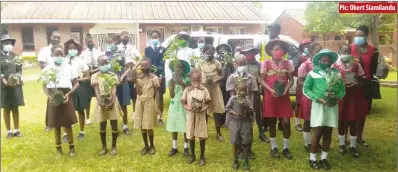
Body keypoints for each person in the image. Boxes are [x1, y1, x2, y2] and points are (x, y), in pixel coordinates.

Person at [303, 49, 345, 170]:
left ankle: (324, 158)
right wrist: (317, 98)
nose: (326, 62)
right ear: (319, 61)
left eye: (328, 60)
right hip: (318, 106)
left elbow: (342, 89)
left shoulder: (336, 73)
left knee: (328, 132)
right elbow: (306, 89)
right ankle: (312, 158)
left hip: (332, 106)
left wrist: (337, 98)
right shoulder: (313, 73)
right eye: (323, 60)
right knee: (317, 133)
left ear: (331, 61)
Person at [41, 44, 79, 157]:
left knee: (68, 123)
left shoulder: (69, 67)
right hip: (54, 96)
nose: (59, 56)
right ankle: (58, 149)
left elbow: (76, 83)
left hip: (66, 95)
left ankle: (71, 148)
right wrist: (49, 95)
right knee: (56, 124)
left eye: (61, 54)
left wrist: (69, 93)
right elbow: (44, 85)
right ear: (52, 55)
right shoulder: (47, 69)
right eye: (57, 54)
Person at [260, 39, 294, 159]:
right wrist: (270, 90)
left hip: (284, 96)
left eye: (281, 49)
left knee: (286, 122)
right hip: (271, 96)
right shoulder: (265, 63)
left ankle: (285, 148)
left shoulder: (288, 63)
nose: (279, 51)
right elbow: (262, 80)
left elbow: (292, 80)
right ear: (271, 51)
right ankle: (273, 147)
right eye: (276, 49)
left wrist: (286, 89)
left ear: (284, 51)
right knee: (272, 122)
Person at [350, 25, 380, 147]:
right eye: (356, 35)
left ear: (366, 36)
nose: (357, 37)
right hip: (351, 85)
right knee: (350, 111)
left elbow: (373, 69)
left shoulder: (374, 51)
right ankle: (349, 137)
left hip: (364, 86)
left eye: (360, 35)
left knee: (362, 112)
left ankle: (359, 136)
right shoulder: (349, 49)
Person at [226, 54, 259, 162]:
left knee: (249, 130)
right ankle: (239, 151)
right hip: (236, 110)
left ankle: (249, 150)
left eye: (244, 64)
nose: (242, 66)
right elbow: (231, 94)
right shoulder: (231, 78)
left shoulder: (250, 77)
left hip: (248, 108)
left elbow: (254, 93)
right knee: (237, 131)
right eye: (240, 64)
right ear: (235, 64)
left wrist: (251, 107)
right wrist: (237, 107)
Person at [333, 44, 365, 158]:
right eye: (344, 52)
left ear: (351, 53)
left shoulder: (356, 65)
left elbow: (363, 81)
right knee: (341, 121)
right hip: (341, 98)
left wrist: (357, 83)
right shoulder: (335, 66)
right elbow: (331, 82)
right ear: (339, 52)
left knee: (352, 121)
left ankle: (353, 145)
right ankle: (342, 144)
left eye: (348, 52)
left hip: (352, 98)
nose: (346, 54)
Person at [268, 23, 300, 131]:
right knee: (270, 103)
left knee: (281, 100)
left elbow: (296, 53)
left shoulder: (283, 44)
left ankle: (281, 123)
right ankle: (268, 123)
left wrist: (291, 66)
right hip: (267, 76)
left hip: (281, 77)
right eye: (268, 30)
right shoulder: (265, 42)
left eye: (271, 30)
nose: (269, 32)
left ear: (277, 31)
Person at [91, 55, 123, 156]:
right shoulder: (95, 76)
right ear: (98, 65)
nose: (105, 65)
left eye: (106, 62)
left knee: (114, 123)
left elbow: (114, 89)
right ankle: (104, 147)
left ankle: (114, 146)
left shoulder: (112, 75)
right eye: (102, 63)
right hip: (101, 101)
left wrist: (112, 101)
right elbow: (96, 89)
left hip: (112, 101)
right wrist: (100, 101)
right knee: (102, 124)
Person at [181, 68, 211, 166]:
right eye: (194, 81)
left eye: (198, 80)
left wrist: (203, 109)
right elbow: (183, 102)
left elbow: (208, 103)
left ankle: (202, 156)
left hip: (201, 116)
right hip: (190, 116)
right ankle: (192, 155)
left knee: (202, 135)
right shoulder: (187, 90)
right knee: (191, 135)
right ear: (190, 80)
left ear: (201, 79)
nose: (196, 83)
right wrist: (188, 108)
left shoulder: (204, 90)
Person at [196, 44, 225, 142]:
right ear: (203, 53)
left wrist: (216, 79)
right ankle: (204, 132)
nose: (210, 55)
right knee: (204, 110)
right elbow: (196, 76)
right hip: (204, 89)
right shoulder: (199, 63)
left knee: (217, 111)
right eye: (208, 53)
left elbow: (222, 75)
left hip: (215, 89)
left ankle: (218, 133)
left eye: (212, 53)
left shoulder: (217, 62)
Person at [131, 58, 160, 155]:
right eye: (142, 66)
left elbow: (157, 92)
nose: (144, 68)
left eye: (146, 66)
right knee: (142, 125)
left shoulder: (154, 78)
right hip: (140, 103)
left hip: (149, 102)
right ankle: (146, 145)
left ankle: (152, 145)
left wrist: (158, 106)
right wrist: (135, 81)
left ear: (150, 66)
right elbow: (139, 93)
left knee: (149, 125)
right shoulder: (138, 78)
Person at [240, 44, 268, 142]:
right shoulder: (241, 65)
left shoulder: (259, 65)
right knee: (245, 113)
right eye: (247, 52)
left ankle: (261, 133)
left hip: (255, 92)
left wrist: (261, 88)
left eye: (251, 52)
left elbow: (262, 79)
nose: (249, 54)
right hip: (244, 93)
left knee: (258, 113)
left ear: (254, 53)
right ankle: (246, 134)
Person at [225, 77, 255, 171]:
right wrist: (233, 113)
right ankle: (235, 160)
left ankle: (246, 161)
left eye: (245, 90)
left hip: (245, 122)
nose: (242, 92)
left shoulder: (248, 100)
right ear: (236, 89)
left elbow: (251, 113)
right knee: (235, 143)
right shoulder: (233, 99)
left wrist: (247, 109)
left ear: (247, 90)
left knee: (245, 143)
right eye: (240, 90)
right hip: (234, 122)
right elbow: (227, 108)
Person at [297, 42, 323, 152]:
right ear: (311, 52)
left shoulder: (323, 64)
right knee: (308, 120)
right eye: (318, 51)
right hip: (309, 97)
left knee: (319, 120)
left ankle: (316, 142)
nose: (320, 53)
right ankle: (307, 143)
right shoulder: (305, 65)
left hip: (321, 96)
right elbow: (299, 81)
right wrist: (311, 85)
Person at [64, 39, 90, 140]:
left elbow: (87, 77)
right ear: (67, 49)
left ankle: (81, 131)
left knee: (80, 109)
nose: (72, 50)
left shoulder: (81, 61)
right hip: (66, 87)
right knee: (66, 110)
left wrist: (77, 79)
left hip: (79, 87)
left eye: (74, 48)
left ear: (77, 50)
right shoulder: (64, 60)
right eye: (70, 48)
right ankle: (66, 134)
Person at [106, 36, 132, 135]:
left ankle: (125, 126)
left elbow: (129, 67)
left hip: (122, 81)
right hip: (111, 82)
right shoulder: (106, 55)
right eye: (109, 43)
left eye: (112, 42)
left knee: (123, 104)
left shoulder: (122, 53)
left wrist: (122, 77)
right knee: (113, 104)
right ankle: (115, 128)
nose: (111, 45)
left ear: (117, 43)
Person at [0, 35, 25, 139]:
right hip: (4, 86)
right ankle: (9, 131)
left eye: (10, 42)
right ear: (1, 44)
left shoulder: (15, 56)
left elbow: (19, 68)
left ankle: (17, 130)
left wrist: (17, 77)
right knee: (6, 108)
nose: (8, 45)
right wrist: (4, 79)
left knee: (15, 107)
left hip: (15, 85)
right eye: (6, 43)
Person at [166, 60, 191, 157]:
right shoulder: (170, 81)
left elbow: (188, 93)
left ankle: (186, 147)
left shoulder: (187, 80)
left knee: (185, 125)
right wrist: (172, 85)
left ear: (183, 69)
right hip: (174, 104)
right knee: (174, 125)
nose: (178, 69)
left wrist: (184, 85)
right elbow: (172, 95)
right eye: (176, 67)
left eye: (180, 67)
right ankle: (174, 147)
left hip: (184, 104)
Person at [38, 31, 61, 132]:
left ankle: (62, 121)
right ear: (50, 37)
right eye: (54, 37)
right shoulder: (44, 50)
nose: (56, 39)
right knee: (51, 100)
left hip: (61, 78)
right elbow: (42, 64)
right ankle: (49, 124)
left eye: (58, 38)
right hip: (50, 77)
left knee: (62, 99)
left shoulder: (61, 49)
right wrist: (52, 69)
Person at [117, 31, 142, 127]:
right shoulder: (117, 48)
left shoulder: (133, 48)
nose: (125, 38)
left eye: (127, 37)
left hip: (131, 73)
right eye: (124, 36)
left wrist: (134, 67)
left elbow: (139, 58)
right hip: (121, 74)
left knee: (134, 95)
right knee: (122, 97)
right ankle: (123, 120)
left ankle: (135, 115)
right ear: (120, 37)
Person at [144, 30, 166, 126]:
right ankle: (151, 116)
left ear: (159, 38)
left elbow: (163, 62)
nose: (154, 39)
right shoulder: (147, 50)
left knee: (160, 96)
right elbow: (147, 61)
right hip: (150, 75)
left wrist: (159, 73)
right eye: (152, 37)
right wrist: (151, 72)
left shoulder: (163, 49)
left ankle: (160, 117)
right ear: (150, 38)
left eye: (156, 37)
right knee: (150, 96)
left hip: (161, 75)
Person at [81, 33, 103, 125]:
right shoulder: (83, 53)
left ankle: (101, 113)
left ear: (94, 41)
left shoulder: (99, 52)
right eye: (88, 41)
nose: (90, 42)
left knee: (100, 95)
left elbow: (102, 64)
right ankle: (88, 118)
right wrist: (87, 72)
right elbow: (82, 66)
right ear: (85, 42)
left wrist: (95, 70)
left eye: (91, 40)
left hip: (97, 74)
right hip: (88, 75)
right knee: (87, 97)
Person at [294, 39, 312, 132]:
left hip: (312, 85)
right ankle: (297, 123)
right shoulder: (300, 57)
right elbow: (295, 68)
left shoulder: (315, 58)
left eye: (309, 45)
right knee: (298, 102)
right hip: (301, 82)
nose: (307, 47)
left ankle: (308, 121)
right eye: (305, 45)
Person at [216, 43, 235, 127]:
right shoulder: (216, 61)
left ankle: (224, 120)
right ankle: (218, 120)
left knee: (226, 102)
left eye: (224, 51)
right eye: (221, 51)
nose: (222, 52)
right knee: (218, 102)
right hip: (218, 84)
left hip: (227, 85)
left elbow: (234, 71)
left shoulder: (230, 61)